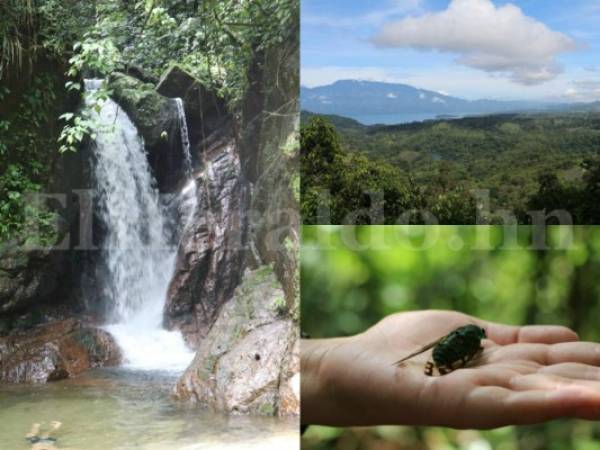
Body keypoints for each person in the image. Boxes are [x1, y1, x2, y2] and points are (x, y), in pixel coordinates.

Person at [302, 310, 600, 429]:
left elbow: (467, 350)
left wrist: (318, 364)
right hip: (448, 354)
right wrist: (319, 364)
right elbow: (470, 352)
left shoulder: (470, 339)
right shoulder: (474, 341)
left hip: (445, 353)